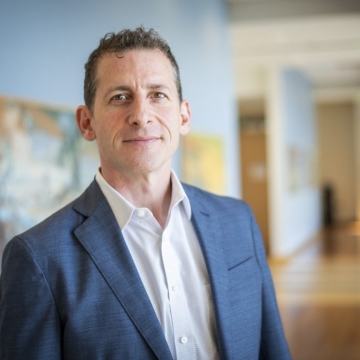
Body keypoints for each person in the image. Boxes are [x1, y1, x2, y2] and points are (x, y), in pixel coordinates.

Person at [0, 27, 291, 360]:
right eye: (120, 97)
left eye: (158, 95)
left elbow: (273, 350)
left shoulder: (238, 221)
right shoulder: (38, 257)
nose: (140, 115)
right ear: (86, 123)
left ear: (183, 115)